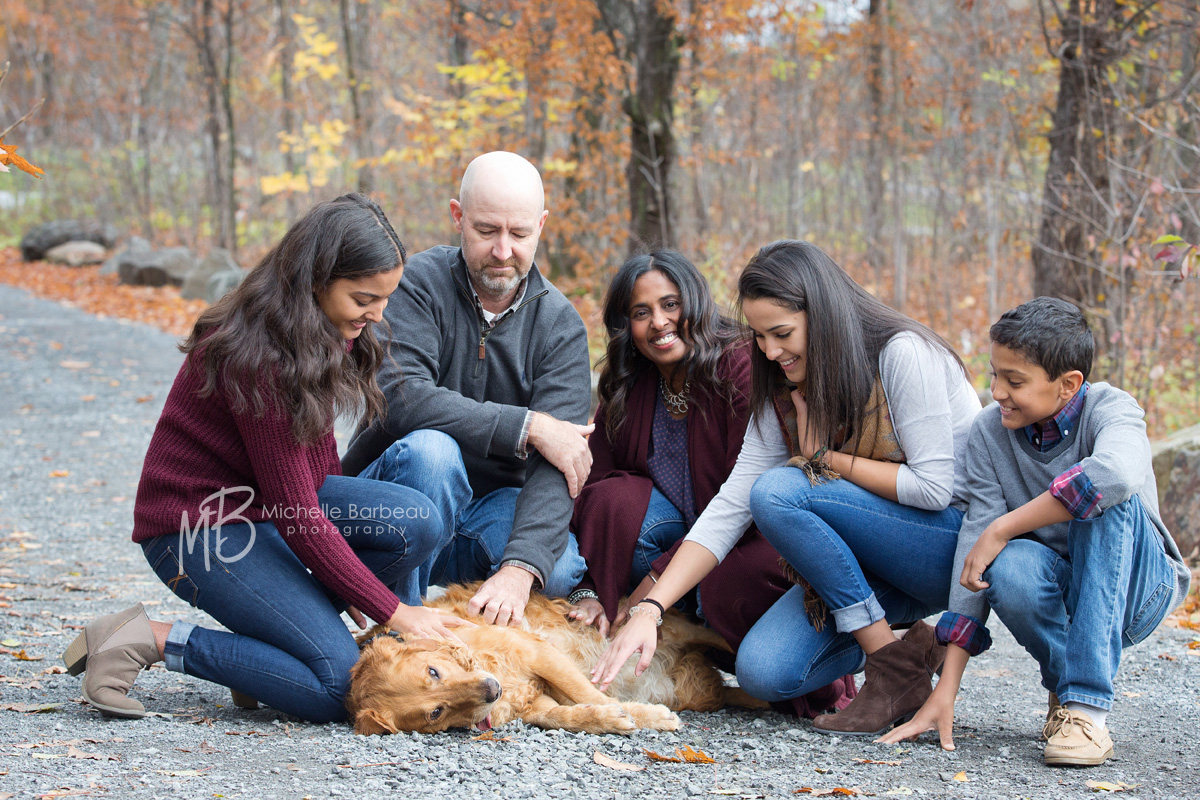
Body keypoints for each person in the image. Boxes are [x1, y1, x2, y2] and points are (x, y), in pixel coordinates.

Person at [62, 194, 471, 723]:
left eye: (386, 299)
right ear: (317, 280)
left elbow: (320, 474)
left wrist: (347, 581)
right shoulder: (260, 356)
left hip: (264, 516)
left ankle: (272, 654)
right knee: (335, 690)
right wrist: (392, 610)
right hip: (197, 531)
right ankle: (148, 639)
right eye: (365, 298)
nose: (377, 315)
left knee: (416, 520)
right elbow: (298, 515)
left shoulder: (319, 330)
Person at [592, 240, 981, 737]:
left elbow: (932, 489)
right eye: (758, 336)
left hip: (949, 549)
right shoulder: (782, 380)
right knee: (766, 672)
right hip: (867, 562)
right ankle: (910, 655)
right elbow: (731, 503)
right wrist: (650, 608)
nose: (770, 351)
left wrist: (826, 459)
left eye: (781, 334)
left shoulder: (902, 354)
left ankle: (888, 665)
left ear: (822, 315)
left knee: (780, 490)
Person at [883, 297, 1191, 766]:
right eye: (994, 374)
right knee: (1003, 564)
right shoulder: (990, 432)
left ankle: (1087, 708)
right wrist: (947, 688)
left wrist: (1005, 526)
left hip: (1136, 590)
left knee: (1101, 499)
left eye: (1015, 381)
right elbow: (977, 543)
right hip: (1066, 588)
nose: (997, 391)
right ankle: (1068, 695)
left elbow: (1115, 475)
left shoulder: (1112, 408)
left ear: (1068, 385)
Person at [567, 250, 855, 716]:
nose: (659, 322)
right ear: (627, 326)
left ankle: (827, 668)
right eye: (641, 313)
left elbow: (746, 504)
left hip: (756, 535)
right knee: (614, 495)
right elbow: (594, 482)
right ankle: (675, 631)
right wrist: (590, 589)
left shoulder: (741, 365)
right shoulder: (632, 383)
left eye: (670, 305)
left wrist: (649, 594)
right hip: (681, 541)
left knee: (730, 583)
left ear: (695, 303)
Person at [341, 151, 592, 628]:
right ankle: (402, 631)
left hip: (487, 512)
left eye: (519, 234)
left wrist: (520, 569)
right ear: (458, 216)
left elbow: (561, 465)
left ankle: (467, 631)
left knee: (555, 570)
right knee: (433, 454)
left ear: (540, 225)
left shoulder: (561, 327)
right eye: (486, 230)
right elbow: (401, 398)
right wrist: (528, 427)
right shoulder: (416, 283)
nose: (503, 251)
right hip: (398, 496)